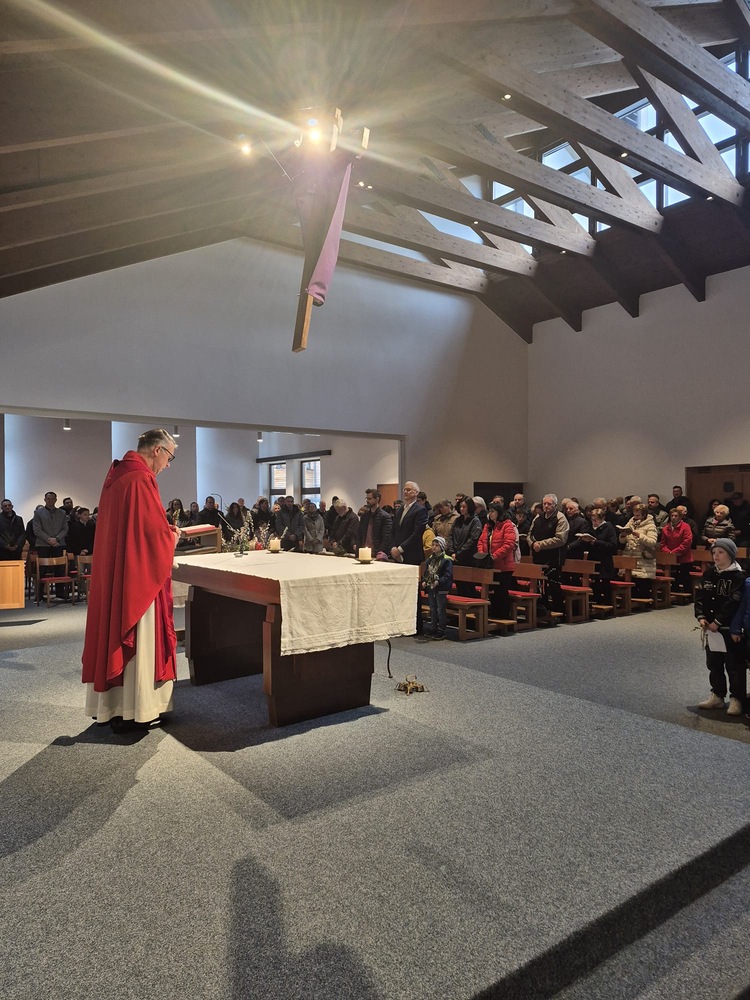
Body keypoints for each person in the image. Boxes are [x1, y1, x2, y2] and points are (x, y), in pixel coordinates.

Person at [82, 428, 181, 732]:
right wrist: (171, 537)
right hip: (138, 577)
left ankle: (113, 708)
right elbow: (151, 537)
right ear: (157, 450)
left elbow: (135, 528)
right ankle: (137, 710)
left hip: (119, 571)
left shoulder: (118, 474)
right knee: (140, 638)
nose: (168, 465)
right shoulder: (140, 479)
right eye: (169, 458)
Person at [695, 538, 746, 715]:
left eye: (721, 552)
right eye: (714, 553)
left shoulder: (738, 576)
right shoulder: (709, 573)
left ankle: (736, 698)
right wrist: (701, 616)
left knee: (734, 664)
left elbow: (734, 602)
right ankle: (717, 695)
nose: (716, 556)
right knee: (714, 662)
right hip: (710, 628)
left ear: (730, 554)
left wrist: (718, 621)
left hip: (728, 628)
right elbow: (700, 595)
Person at [476, 502, 516, 619]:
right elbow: (481, 541)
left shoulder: (506, 524)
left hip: (504, 566)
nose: (490, 514)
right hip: (490, 564)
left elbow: (508, 544)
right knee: (493, 592)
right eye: (489, 511)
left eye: (493, 511)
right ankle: (494, 616)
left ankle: (503, 617)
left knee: (501, 592)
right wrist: (482, 554)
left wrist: (494, 556)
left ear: (499, 512)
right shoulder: (487, 526)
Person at [418, 537, 453, 641]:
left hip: (441, 588)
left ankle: (441, 630)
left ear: (441, 547)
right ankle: (433, 628)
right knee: (432, 608)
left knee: (440, 609)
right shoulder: (430, 559)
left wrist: (438, 582)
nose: (434, 547)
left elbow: (447, 575)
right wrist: (424, 581)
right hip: (431, 588)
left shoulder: (446, 560)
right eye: (433, 545)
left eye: (436, 545)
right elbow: (427, 572)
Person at [619, 503, 658, 597]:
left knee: (641, 585)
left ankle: (643, 601)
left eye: (638, 514)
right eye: (634, 513)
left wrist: (640, 535)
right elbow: (622, 541)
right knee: (631, 585)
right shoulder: (630, 523)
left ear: (644, 515)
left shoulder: (650, 525)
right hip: (630, 556)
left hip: (643, 560)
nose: (635, 516)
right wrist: (623, 535)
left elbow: (652, 542)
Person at [390, 482, 428, 565]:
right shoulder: (399, 510)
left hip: (412, 554)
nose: (405, 492)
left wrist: (400, 549)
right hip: (397, 554)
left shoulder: (420, 510)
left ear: (416, 493)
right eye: (404, 490)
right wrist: (393, 548)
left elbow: (417, 534)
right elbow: (393, 531)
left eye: (408, 490)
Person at [658, 507, 693, 593]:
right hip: (670, 557)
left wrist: (674, 552)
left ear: (680, 517)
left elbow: (687, 542)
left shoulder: (685, 527)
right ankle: (674, 594)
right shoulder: (666, 528)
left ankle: (688, 595)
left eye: (676, 516)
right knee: (673, 579)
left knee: (684, 578)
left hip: (684, 558)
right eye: (672, 516)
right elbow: (663, 543)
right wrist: (668, 552)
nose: (673, 517)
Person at [357, 488, 392, 558]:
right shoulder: (364, 516)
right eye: (366, 498)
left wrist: (379, 553)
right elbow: (360, 535)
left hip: (377, 554)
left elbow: (386, 538)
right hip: (364, 552)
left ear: (377, 499)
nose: (367, 501)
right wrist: (357, 553)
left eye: (369, 499)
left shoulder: (385, 517)